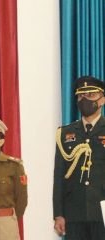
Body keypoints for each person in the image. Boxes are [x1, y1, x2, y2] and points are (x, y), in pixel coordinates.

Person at [53, 76, 105, 240]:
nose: (84, 100)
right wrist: (58, 214)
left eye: (90, 96)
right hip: (74, 213)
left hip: (102, 211)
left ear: (102, 100)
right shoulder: (65, 133)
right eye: (81, 96)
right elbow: (59, 176)